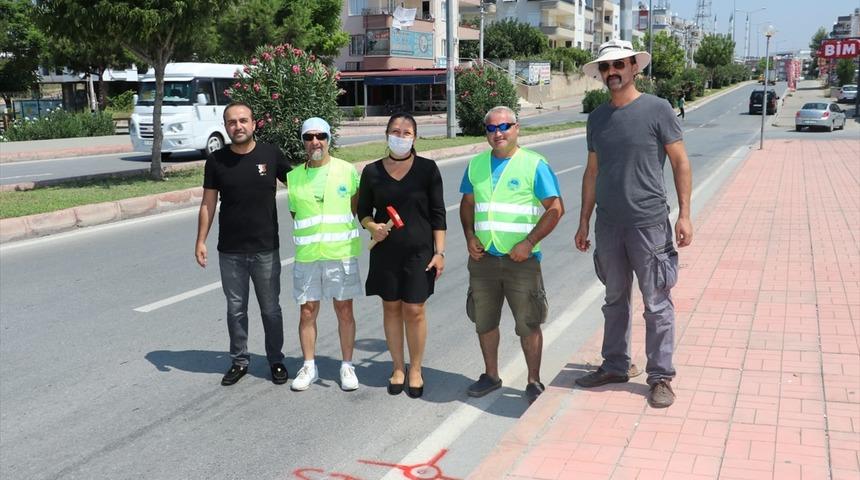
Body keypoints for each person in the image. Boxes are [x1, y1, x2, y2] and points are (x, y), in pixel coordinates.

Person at [574, 39, 693, 409]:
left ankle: (661, 377)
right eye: (606, 68)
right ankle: (615, 364)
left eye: (619, 65)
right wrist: (583, 221)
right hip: (609, 226)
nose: (612, 73)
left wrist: (685, 214)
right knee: (614, 300)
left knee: (656, 303)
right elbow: (592, 171)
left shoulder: (657, 109)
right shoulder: (597, 117)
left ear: (634, 68)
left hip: (649, 223)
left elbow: (680, 162)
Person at [459, 106, 564, 404]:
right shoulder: (476, 165)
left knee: (528, 323)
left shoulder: (534, 165)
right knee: (484, 321)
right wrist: (469, 236)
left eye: (504, 126)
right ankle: (491, 375)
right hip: (484, 261)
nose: (498, 133)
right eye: (491, 128)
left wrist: (529, 242)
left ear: (517, 128)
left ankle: (533, 381)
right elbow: (467, 204)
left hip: (522, 261)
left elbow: (556, 209)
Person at [195, 101, 290, 386]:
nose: (238, 126)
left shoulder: (270, 154)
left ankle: (276, 360)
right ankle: (239, 360)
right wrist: (201, 240)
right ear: (226, 127)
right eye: (232, 122)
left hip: (265, 249)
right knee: (235, 309)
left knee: (270, 309)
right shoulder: (216, 161)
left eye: (243, 120)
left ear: (254, 123)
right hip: (231, 251)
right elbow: (208, 203)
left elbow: (301, 186)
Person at [357, 113, 446, 399]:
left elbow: (438, 214)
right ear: (386, 135)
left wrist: (440, 251)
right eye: (395, 131)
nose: (400, 135)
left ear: (414, 137)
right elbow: (363, 212)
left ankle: (416, 368)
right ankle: (398, 367)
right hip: (385, 252)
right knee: (391, 308)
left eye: (406, 132)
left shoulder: (428, 169)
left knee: (415, 310)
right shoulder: (371, 171)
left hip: (419, 253)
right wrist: (372, 227)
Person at [286, 117, 362, 392]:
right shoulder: (293, 178)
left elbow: (354, 208)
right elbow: (296, 214)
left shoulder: (347, 171)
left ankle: (347, 366)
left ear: (329, 139)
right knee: (307, 311)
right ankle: (309, 366)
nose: (315, 141)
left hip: (340, 254)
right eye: (309, 137)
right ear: (303, 141)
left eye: (321, 136)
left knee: (344, 309)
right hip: (307, 256)